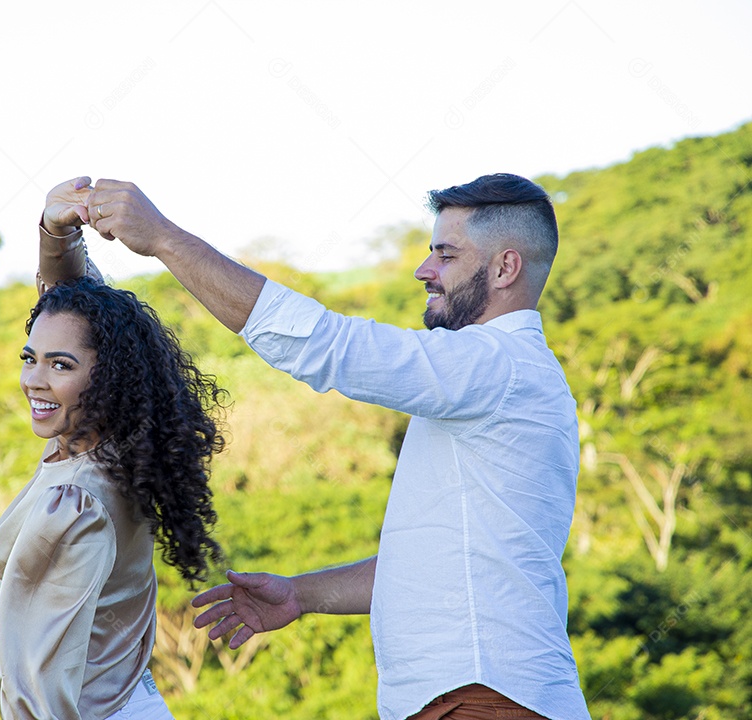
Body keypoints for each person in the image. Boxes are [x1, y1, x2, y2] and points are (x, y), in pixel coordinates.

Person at [47, 173, 591, 719]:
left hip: (485, 699)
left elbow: (326, 345)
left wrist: (163, 238)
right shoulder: (497, 378)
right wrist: (300, 594)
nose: (424, 270)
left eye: (445, 255)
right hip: (470, 698)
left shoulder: (498, 365)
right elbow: (429, 568)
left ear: (505, 268)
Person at [0, 188, 228, 719]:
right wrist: (58, 233)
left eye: (60, 366)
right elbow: (79, 312)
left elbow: (39, 687)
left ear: (109, 378)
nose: (34, 380)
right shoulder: (113, 444)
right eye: (29, 358)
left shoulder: (74, 504)